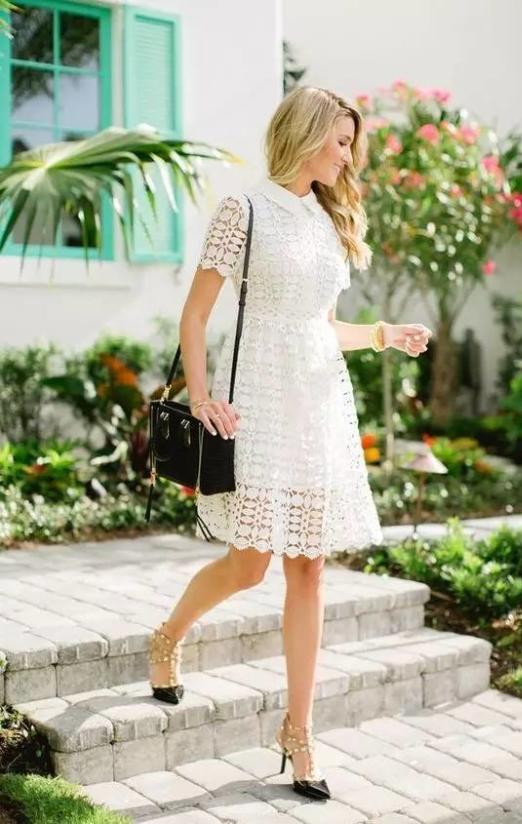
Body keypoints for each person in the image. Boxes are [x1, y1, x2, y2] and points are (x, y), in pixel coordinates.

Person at [148, 86, 432, 800]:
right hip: (258, 406)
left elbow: (321, 326)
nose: (348, 156)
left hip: (318, 408)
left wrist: (383, 335)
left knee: (309, 571)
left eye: (351, 143)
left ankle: (299, 731)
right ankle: (168, 636)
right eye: (341, 141)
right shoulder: (244, 211)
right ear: (306, 135)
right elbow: (195, 314)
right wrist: (203, 397)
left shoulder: (328, 222)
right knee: (249, 567)